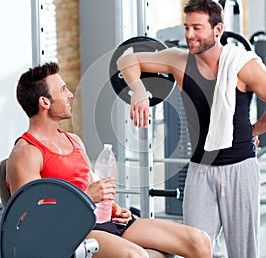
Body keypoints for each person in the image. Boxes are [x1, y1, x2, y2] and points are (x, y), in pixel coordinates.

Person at [117, 0, 266, 258]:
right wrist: (139, 91)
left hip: (240, 168)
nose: (190, 35)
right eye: (187, 27)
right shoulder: (179, 61)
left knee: (243, 252)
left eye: (197, 28)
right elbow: (127, 60)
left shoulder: (243, 66)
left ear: (217, 30)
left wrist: (254, 130)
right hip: (200, 169)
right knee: (195, 247)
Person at [6, 62, 212, 258]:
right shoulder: (26, 153)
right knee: (136, 255)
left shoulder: (74, 141)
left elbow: (89, 187)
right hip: (72, 232)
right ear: (44, 102)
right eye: (62, 90)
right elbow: (31, 221)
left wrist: (113, 208)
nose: (70, 95)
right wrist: (87, 196)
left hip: (104, 222)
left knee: (199, 240)